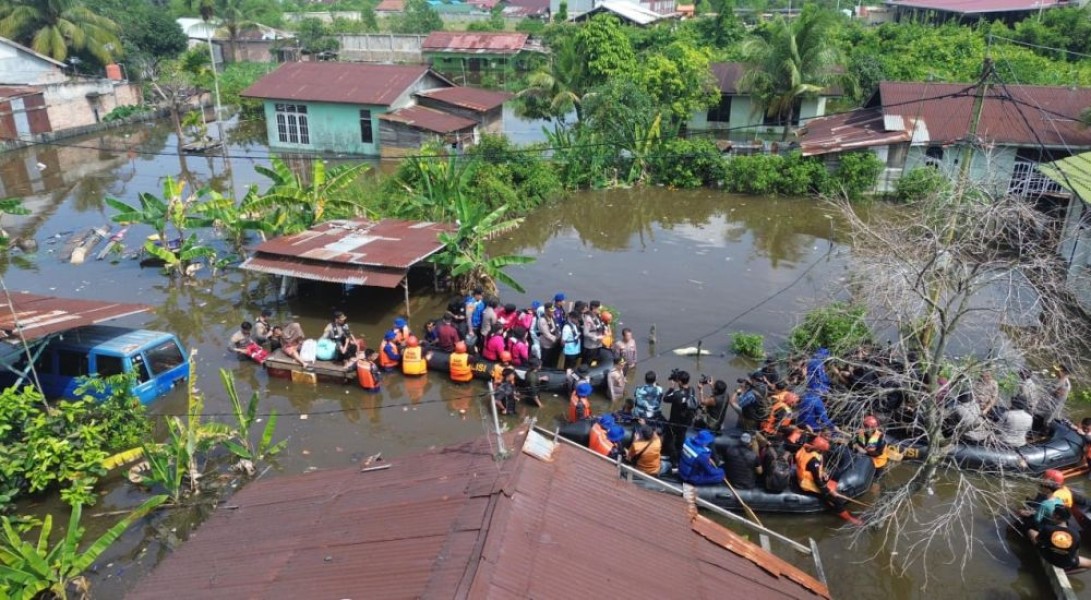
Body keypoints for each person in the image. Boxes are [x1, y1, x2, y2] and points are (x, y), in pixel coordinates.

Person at [795, 436, 861, 525]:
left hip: (805, 476)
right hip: (807, 483)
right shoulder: (813, 461)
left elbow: (811, 469)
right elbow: (818, 482)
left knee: (830, 487)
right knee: (836, 500)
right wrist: (829, 491)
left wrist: (822, 472)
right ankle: (850, 519)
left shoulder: (805, 448)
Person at [1031, 506, 1091, 571]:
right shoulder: (1076, 534)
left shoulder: (1048, 528)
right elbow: (1075, 552)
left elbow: (1038, 540)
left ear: (1057, 516)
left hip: (1048, 557)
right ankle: (1068, 572)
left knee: (1031, 531)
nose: (1051, 515)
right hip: (1066, 562)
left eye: (1053, 513)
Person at [663, 370, 699, 463]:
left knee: (669, 439)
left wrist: (671, 388)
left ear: (679, 381)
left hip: (674, 422)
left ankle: (672, 459)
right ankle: (679, 455)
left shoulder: (677, 394)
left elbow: (665, 399)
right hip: (686, 422)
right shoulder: (692, 390)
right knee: (681, 438)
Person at [1036, 364, 1071, 433]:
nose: (1056, 372)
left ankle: (1045, 433)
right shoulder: (1058, 379)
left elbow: (1055, 394)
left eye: (1058, 371)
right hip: (1048, 404)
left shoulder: (1065, 385)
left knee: (1047, 422)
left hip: (1054, 406)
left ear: (1064, 372)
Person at [581, 300, 606, 365]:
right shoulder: (588, 318)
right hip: (590, 346)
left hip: (598, 344)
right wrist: (597, 337)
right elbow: (586, 333)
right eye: (598, 308)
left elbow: (600, 326)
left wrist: (605, 330)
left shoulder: (597, 316)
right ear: (594, 307)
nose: (600, 309)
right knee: (588, 363)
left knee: (595, 362)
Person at [537, 301, 560, 368]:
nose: (553, 312)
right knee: (546, 360)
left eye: (553, 311)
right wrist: (556, 339)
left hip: (554, 342)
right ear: (546, 310)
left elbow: (556, 326)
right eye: (551, 311)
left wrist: (558, 335)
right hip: (547, 344)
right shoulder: (542, 320)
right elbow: (546, 334)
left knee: (552, 359)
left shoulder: (552, 316)